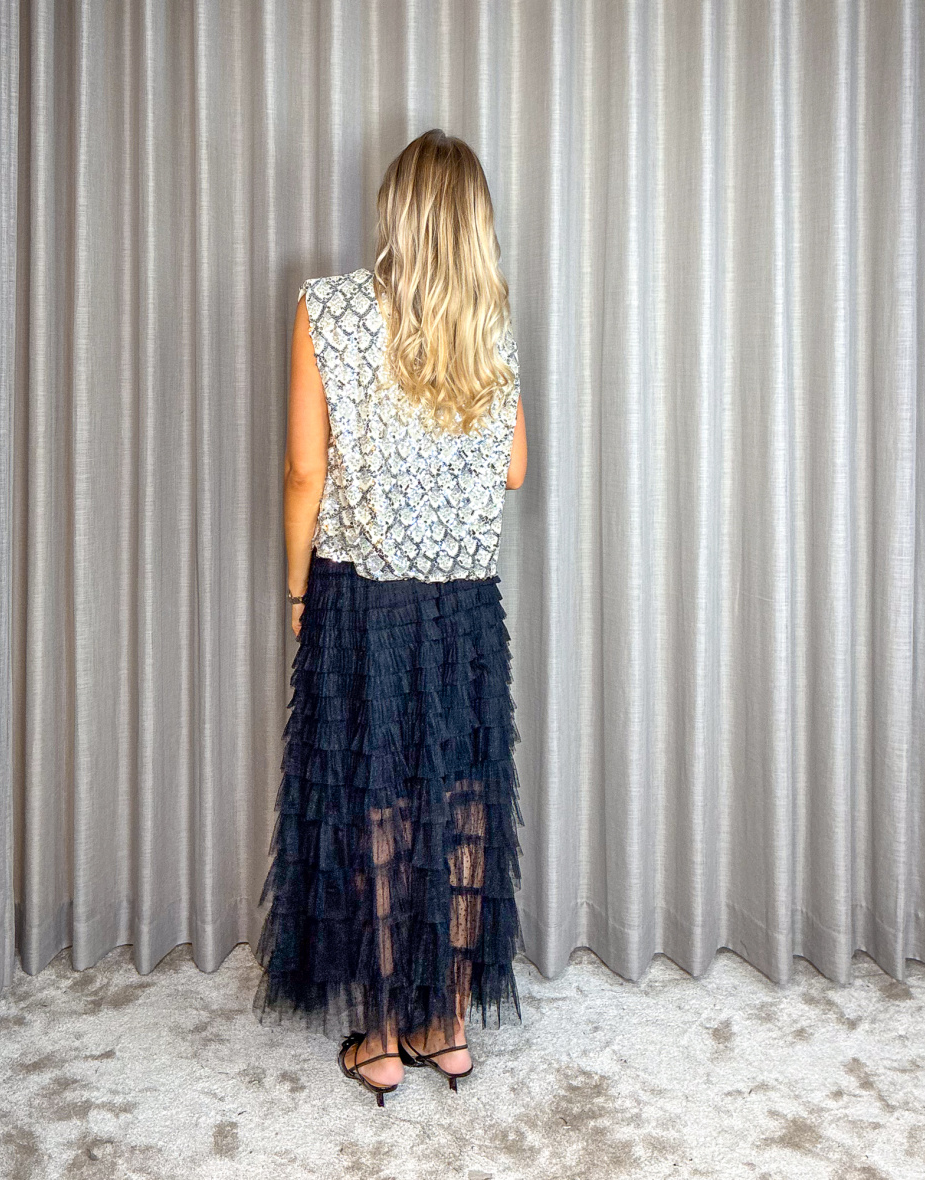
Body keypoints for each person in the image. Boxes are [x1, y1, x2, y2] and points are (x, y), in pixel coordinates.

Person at [252, 128, 528, 1107]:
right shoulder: (488, 320)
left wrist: (296, 592)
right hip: (461, 604)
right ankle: (446, 1025)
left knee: (375, 803)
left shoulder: (325, 306)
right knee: (461, 803)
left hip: (361, 599)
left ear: (396, 211)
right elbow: (513, 469)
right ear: (474, 222)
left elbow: (304, 471)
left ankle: (376, 1039)